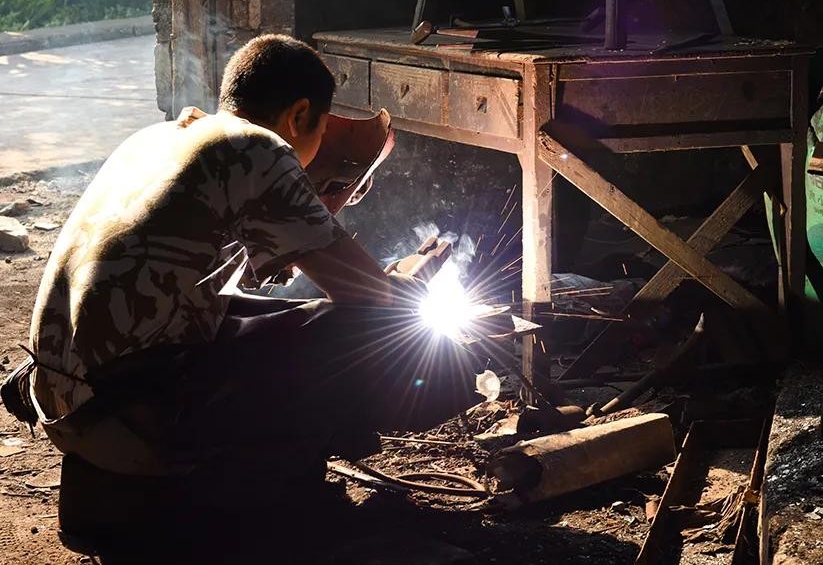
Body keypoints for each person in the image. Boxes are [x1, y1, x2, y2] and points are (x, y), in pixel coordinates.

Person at [16, 34, 480, 519]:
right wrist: (408, 281)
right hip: (133, 415)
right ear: (299, 115)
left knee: (279, 314)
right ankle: (276, 498)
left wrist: (367, 287)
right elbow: (370, 298)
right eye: (322, 129)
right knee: (379, 330)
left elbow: (205, 296)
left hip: (65, 407)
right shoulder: (258, 147)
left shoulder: (159, 137)